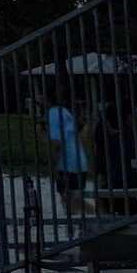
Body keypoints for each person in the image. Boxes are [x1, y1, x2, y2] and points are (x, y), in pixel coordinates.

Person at [46, 93, 90, 222]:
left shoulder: (54, 112)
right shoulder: (66, 112)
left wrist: (52, 164)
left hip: (66, 164)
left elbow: (56, 142)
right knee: (75, 201)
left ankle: (99, 215)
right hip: (80, 162)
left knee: (69, 203)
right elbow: (83, 128)